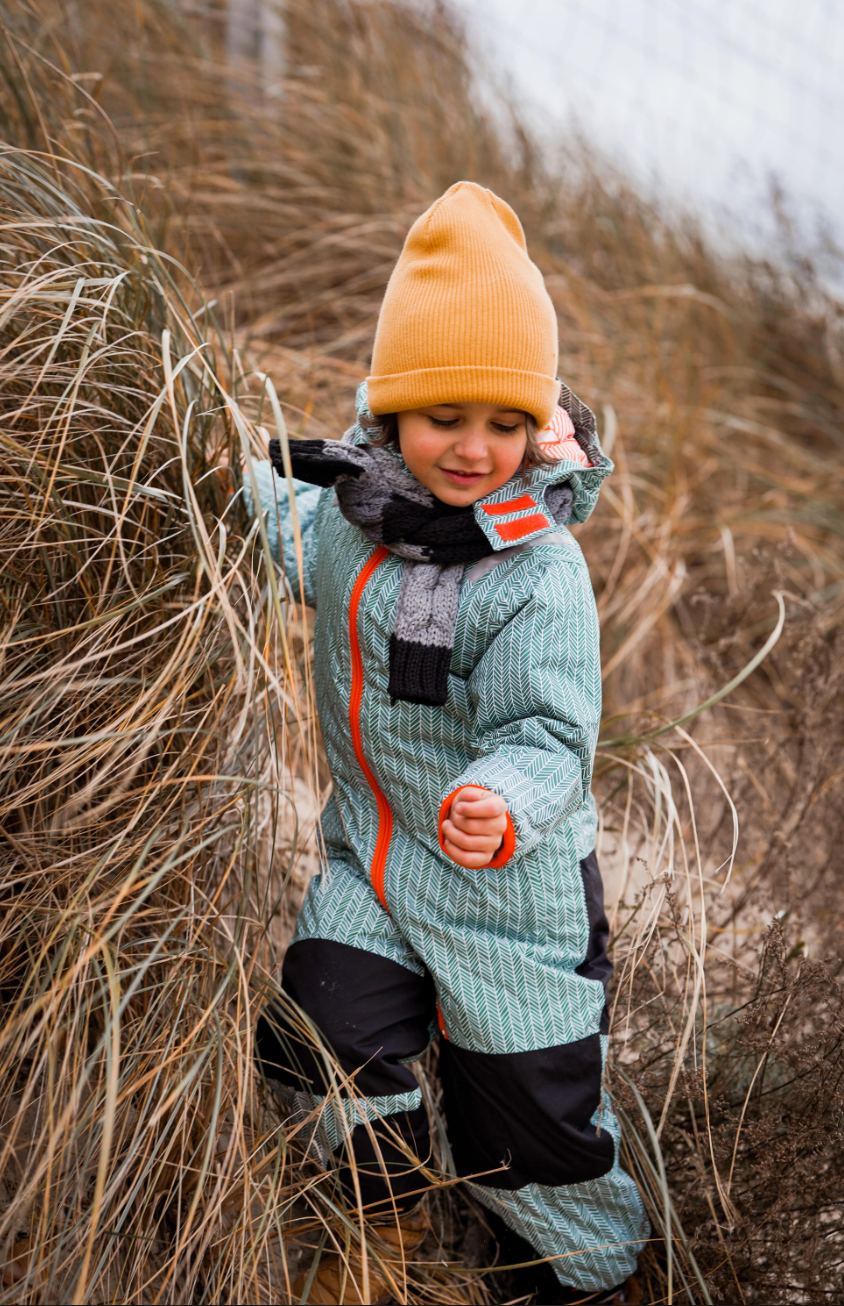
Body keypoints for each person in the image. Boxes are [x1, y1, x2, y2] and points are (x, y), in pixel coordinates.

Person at [250, 181, 648, 1304]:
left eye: (507, 424)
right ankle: (382, 1216)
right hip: (375, 864)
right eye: (445, 418)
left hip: (509, 896)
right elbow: (287, 527)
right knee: (321, 1027)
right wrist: (199, 464)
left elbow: (545, 730)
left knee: (529, 1135)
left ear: (539, 428)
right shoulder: (350, 514)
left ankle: (585, 1277)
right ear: (389, 411)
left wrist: (503, 798)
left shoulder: (537, 572)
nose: (475, 449)